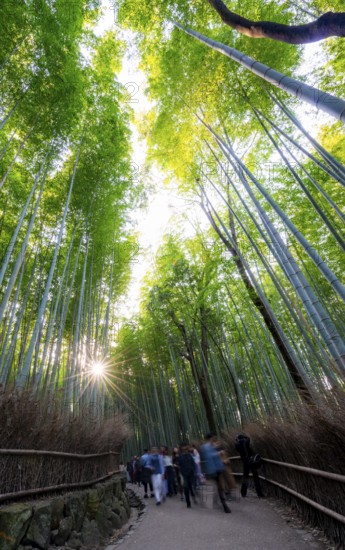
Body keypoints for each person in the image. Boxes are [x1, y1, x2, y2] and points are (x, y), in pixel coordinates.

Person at [200, 433, 231, 513]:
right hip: (212, 469)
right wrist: (218, 453)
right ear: (210, 438)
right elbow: (208, 456)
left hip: (218, 468)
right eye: (212, 438)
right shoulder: (205, 447)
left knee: (219, 486)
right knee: (218, 486)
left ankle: (223, 504)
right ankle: (224, 504)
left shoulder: (212, 445)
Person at [235, 432, 264, 498]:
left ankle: (243, 492)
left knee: (245, 477)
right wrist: (244, 436)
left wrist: (237, 439)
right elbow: (248, 438)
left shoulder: (237, 445)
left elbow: (238, 447)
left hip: (245, 462)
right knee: (256, 477)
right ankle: (259, 493)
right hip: (251, 461)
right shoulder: (246, 442)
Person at [178, 443, 197, 509]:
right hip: (184, 475)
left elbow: (193, 463)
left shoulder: (189, 455)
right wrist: (181, 473)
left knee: (191, 487)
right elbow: (179, 465)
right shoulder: (180, 457)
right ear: (182, 450)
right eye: (184, 449)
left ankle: (194, 497)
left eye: (186, 449)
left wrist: (194, 470)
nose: (185, 450)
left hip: (191, 474)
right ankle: (188, 503)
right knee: (186, 488)